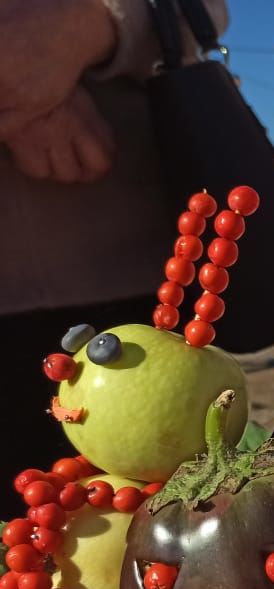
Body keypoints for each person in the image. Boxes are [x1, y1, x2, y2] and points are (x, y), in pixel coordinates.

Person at [0, 0, 227, 516]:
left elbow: (205, 8)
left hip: (148, 277)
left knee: (182, 540)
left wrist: (89, 24)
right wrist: (21, 92)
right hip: (139, 253)